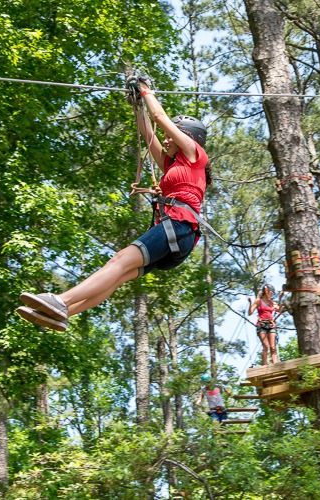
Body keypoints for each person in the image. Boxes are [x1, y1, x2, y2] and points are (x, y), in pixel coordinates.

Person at [17, 76, 211, 331]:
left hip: (178, 226)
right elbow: (149, 132)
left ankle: (60, 301)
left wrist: (145, 91)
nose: (165, 140)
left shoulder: (195, 154)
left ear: (186, 137)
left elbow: (161, 118)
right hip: (178, 233)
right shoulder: (173, 164)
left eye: (169, 137)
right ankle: (63, 313)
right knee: (119, 274)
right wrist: (137, 104)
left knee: (118, 260)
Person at [248, 284, 283, 364]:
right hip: (262, 325)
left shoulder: (272, 303)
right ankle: (264, 366)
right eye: (271, 293)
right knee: (265, 346)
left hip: (271, 325)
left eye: (273, 294)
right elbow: (250, 313)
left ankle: (276, 365)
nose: (271, 295)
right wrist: (250, 304)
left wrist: (280, 299)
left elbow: (279, 311)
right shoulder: (258, 301)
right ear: (266, 291)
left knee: (273, 347)